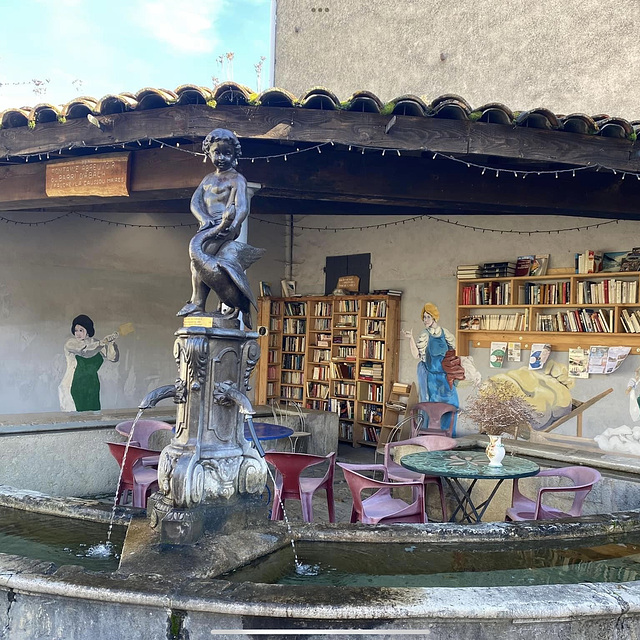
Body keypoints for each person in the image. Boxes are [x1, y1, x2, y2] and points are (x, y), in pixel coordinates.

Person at [177, 128, 250, 317]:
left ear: (234, 155)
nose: (222, 158)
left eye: (227, 153)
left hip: (225, 226)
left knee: (201, 257)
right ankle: (201, 302)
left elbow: (242, 206)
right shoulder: (207, 179)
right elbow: (195, 202)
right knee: (200, 263)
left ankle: (198, 302)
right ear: (208, 152)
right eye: (217, 152)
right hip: (207, 225)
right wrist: (204, 218)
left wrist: (232, 226)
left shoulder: (237, 179)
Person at [402, 303, 460, 433]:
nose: (425, 320)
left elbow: (455, 349)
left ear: (434, 318)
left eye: (427, 317)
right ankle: (433, 436)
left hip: (445, 377)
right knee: (433, 407)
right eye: (424, 317)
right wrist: (410, 338)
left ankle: (449, 435)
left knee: (452, 405)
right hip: (432, 378)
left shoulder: (445, 333)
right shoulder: (425, 334)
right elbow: (416, 354)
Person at [58, 314, 119, 412]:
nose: (77, 333)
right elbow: (86, 352)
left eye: (81, 330)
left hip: (92, 385)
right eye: (76, 330)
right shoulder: (71, 343)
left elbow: (112, 358)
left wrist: (111, 343)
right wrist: (103, 342)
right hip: (74, 385)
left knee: (94, 415)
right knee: (77, 417)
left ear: (88, 330)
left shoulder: (96, 342)